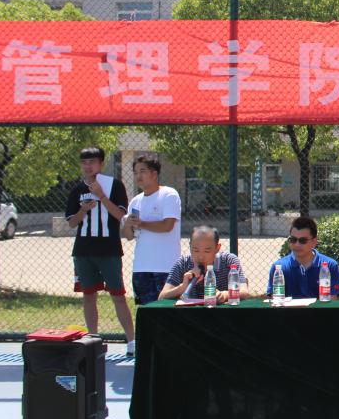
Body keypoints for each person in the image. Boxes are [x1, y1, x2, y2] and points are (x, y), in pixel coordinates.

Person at [65, 146, 136, 356]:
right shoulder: (77, 190)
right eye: (84, 162)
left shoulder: (115, 185)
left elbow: (120, 216)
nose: (88, 166)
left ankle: (131, 341)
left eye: (92, 162)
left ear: (101, 163)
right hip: (83, 251)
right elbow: (72, 223)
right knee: (88, 295)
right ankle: (93, 340)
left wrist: (101, 196)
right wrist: (83, 210)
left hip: (109, 250)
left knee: (118, 296)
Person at [122, 155, 182, 306]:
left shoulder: (169, 194)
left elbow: (167, 226)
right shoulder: (135, 201)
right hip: (141, 267)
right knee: (146, 311)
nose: (138, 176)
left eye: (142, 171)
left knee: (167, 312)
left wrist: (142, 223)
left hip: (166, 267)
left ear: (154, 174)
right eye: (135, 172)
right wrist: (127, 225)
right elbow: (129, 236)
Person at [159, 225, 249, 302]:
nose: (201, 257)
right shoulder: (183, 263)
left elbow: (244, 292)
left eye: (207, 251)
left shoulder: (229, 261)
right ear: (190, 246)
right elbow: (161, 297)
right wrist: (182, 287)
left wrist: (225, 295)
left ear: (217, 248)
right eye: (196, 250)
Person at [266, 216, 339, 299]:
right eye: (293, 239)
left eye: (303, 240)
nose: (297, 244)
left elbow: (332, 300)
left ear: (314, 241)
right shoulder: (279, 268)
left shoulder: (330, 265)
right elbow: (275, 300)